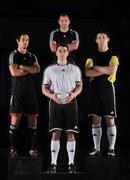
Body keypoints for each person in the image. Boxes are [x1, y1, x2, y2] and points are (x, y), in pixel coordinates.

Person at [42, 44, 82, 173]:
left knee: (70, 133)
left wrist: (74, 94)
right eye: (60, 50)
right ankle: (53, 164)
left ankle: (71, 164)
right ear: (56, 53)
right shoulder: (50, 70)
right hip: (55, 102)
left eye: (65, 50)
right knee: (56, 132)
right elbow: (44, 88)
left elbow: (79, 86)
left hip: (71, 102)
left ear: (68, 53)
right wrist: (52, 96)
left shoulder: (75, 69)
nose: (62, 52)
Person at [85, 31, 119, 157]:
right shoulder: (91, 54)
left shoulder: (113, 54)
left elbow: (112, 70)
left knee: (110, 119)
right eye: (99, 37)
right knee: (96, 119)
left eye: (104, 37)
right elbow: (88, 73)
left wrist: (97, 68)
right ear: (96, 40)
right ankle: (97, 149)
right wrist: (104, 69)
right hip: (94, 88)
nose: (102, 39)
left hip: (107, 88)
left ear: (108, 39)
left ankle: (111, 149)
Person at [8, 32, 40, 157]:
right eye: (23, 40)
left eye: (27, 40)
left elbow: (37, 70)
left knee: (33, 122)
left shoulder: (32, 56)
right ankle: (13, 149)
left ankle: (31, 149)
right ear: (18, 41)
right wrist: (28, 69)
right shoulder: (14, 55)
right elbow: (14, 72)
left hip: (30, 94)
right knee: (15, 121)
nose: (26, 42)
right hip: (17, 93)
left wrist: (22, 66)